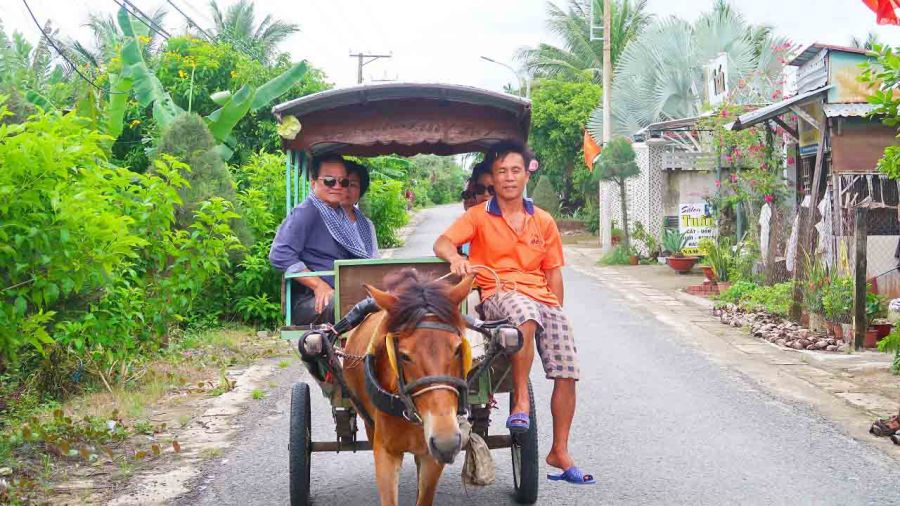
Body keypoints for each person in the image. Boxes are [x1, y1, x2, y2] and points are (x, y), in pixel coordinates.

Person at [433, 140, 594, 485]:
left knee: (567, 365)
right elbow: (442, 243)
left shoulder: (544, 221)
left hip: (540, 297)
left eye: (515, 171)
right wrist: (456, 258)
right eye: (502, 171)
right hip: (497, 293)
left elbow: (553, 273)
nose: (509, 178)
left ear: (526, 174)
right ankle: (520, 399)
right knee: (525, 313)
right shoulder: (477, 216)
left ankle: (560, 450)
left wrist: (557, 312)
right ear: (493, 177)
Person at [269, 154, 379, 325]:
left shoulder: (340, 215)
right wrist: (318, 285)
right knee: (356, 306)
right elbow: (280, 254)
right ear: (314, 182)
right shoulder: (306, 212)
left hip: (344, 292)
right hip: (311, 300)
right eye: (329, 181)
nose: (337, 186)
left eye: (343, 182)